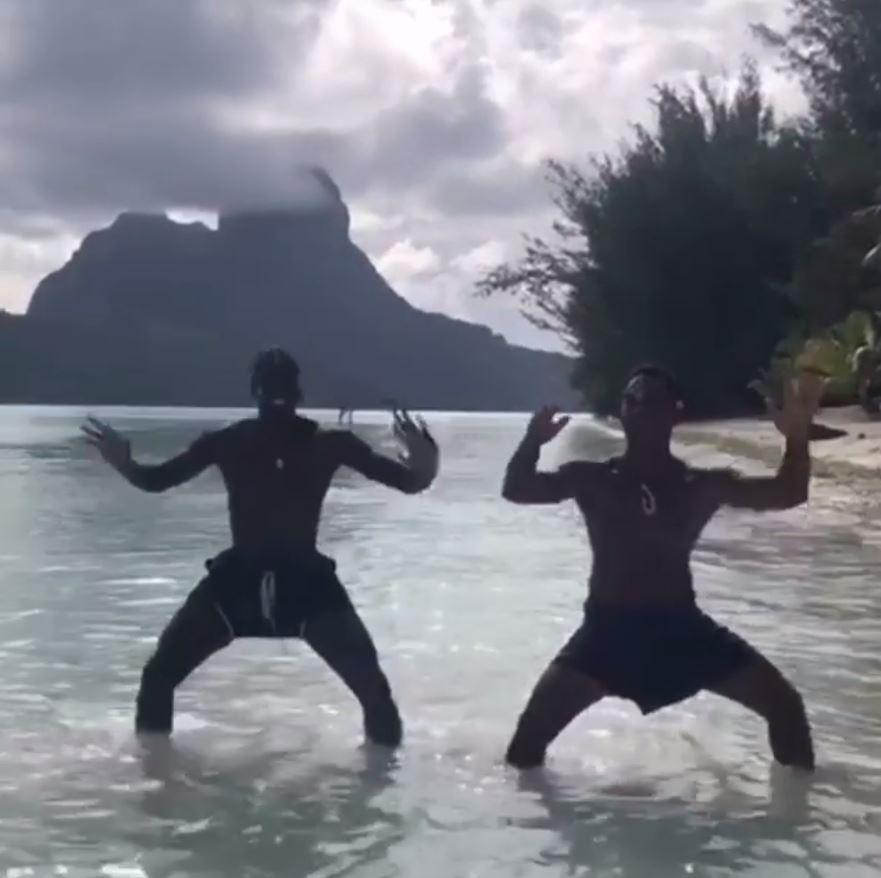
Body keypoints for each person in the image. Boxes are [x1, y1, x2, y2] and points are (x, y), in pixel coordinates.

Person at [81, 347, 439, 747]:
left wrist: (124, 463)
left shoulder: (230, 441)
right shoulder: (328, 443)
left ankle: (155, 778)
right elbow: (411, 482)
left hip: (242, 587)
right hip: (301, 588)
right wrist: (427, 464)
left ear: (255, 393)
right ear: (299, 393)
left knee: (158, 677)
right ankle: (382, 787)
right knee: (375, 694)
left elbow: (154, 481)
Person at [502, 364, 822, 772]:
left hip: (682, 631)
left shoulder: (699, 484)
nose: (640, 408)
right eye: (631, 400)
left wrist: (797, 435)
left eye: (651, 400)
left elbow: (788, 492)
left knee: (786, 707)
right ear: (622, 413)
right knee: (524, 749)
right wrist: (533, 441)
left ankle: (796, 822)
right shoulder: (593, 478)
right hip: (607, 635)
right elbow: (517, 489)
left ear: (675, 412)